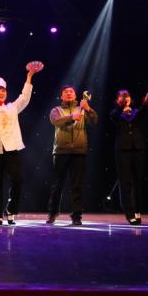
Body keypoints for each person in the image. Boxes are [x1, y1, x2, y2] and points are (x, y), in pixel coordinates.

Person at [0, 62, 42, 225]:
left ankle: (10, 210)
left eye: (3, 90)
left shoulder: (12, 107)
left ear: (6, 92)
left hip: (11, 148)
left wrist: (29, 76)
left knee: (18, 179)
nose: (0, 93)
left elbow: (25, 97)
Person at [47, 85, 98, 226]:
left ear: (75, 95)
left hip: (79, 151)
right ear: (61, 96)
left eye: (71, 92)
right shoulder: (56, 110)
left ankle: (76, 216)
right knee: (57, 185)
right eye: (65, 92)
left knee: (77, 185)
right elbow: (56, 121)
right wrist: (71, 117)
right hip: (61, 151)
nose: (68, 93)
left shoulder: (82, 108)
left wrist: (88, 108)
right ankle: (52, 213)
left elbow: (94, 120)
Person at [110, 89, 148, 225]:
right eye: (122, 97)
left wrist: (146, 102)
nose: (125, 98)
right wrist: (121, 106)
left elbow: (143, 112)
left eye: (127, 96)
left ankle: (137, 210)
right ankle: (129, 213)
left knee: (137, 181)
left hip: (138, 149)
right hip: (122, 150)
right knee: (125, 182)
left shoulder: (136, 112)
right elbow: (115, 116)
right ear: (117, 100)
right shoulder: (115, 113)